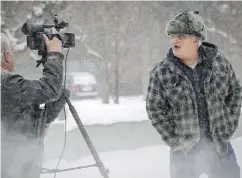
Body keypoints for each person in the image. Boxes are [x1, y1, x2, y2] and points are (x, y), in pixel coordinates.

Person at [146, 10, 241, 178]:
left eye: (180, 36)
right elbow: (155, 108)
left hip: (219, 147)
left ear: (196, 39)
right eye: (172, 36)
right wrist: (173, 140)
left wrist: (229, 125)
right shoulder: (161, 72)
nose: (174, 40)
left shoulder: (219, 64)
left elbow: (234, 91)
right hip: (184, 153)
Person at [1, 32, 70, 178]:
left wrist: (42, 124)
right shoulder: (6, 83)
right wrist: (54, 56)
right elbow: (49, 90)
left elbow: (15, 115)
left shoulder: (9, 89)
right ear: (6, 56)